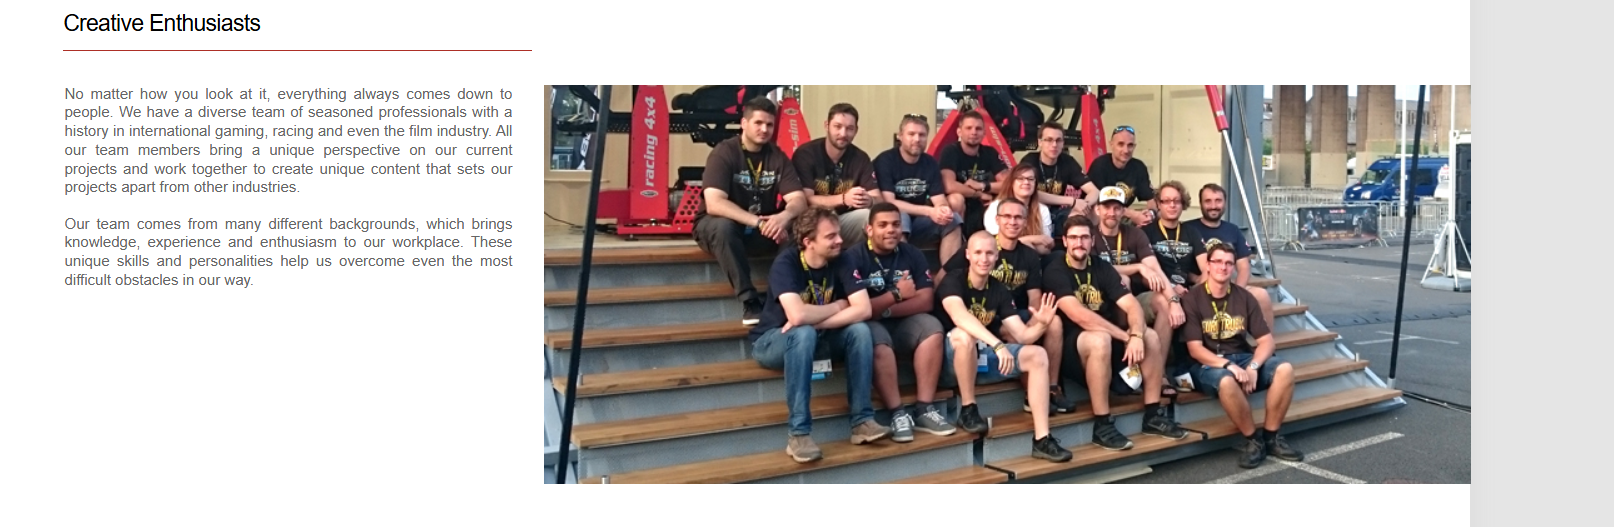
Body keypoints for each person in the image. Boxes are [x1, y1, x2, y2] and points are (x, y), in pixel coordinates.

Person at [749, 207, 891, 463]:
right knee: (802, 334)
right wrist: (838, 306)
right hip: (772, 340)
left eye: (838, 234)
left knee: (859, 331)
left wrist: (815, 322)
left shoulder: (842, 258)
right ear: (808, 242)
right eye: (831, 236)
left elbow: (863, 309)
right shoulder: (786, 263)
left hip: (816, 336)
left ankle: (862, 421)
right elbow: (797, 316)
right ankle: (799, 434)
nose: (840, 240)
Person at [1043, 214, 1187, 451]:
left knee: (1150, 336)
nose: (1079, 243)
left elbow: (1131, 305)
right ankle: (1102, 424)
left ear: (1092, 241)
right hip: (1073, 346)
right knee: (1099, 339)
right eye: (1074, 238)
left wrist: (1137, 335)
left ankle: (1152, 414)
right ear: (1065, 241)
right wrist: (1126, 337)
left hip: (1109, 339)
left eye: (1084, 238)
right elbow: (1079, 315)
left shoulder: (1101, 266)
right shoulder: (1055, 270)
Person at [940, 231, 1072, 462]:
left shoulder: (999, 289)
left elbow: (1022, 335)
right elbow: (960, 317)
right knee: (964, 335)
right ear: (967, 255)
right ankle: (968, 409)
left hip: (983, 360)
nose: (984, 259)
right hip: (951, 361)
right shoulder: (954, 279)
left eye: (989, 253)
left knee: (1037, 355)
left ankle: (1042, 439)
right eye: (978, 253)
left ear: (996, 257)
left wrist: (1042, 324)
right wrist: (998, 345)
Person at [940, 196, 1075, 414]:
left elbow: (1033, 299)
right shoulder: (975, 251)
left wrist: (1036, 323)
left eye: (1018, 217)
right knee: (977, 333)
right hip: (973, 328)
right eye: (1007, 216)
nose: (1012, 221)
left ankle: (1049, 390)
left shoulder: (1025, 259)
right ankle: (978, 405)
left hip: (1009, 314)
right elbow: (944, 285)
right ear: (997, 220)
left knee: (1053, 323)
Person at [1180, 242, 1304, 469]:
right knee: (1226, 381)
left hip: (1242, 356)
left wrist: (1254, 366)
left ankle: (1271, 437)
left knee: (1284, 369)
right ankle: (1253, 440)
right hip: (1207, 363)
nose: (1223, 267)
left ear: (1233, 268)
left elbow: (1266, 341)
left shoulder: (1244, 297)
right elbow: (1195, 349)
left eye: (1229, 263)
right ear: (1208, 265)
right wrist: (1228, 366)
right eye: (1218, 262)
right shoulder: (1193, 298)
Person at [844, 202, 956, 442]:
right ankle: (897, 412)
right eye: (883, 225)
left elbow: (925, 300)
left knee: (932, 328)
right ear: (869, 229)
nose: (891, 230)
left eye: (895, 225)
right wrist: (896, 295)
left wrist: (884, 310)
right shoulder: (852, 257)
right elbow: (858, 309)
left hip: (901, 321)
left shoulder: (911, 253)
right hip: (871, 326)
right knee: (874, 340)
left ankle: (924, 408)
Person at [694, 97, 807, 327]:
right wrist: (758, 222)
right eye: (758, 123)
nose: (764, 129)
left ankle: (780, 297)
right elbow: (715, 203)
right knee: (724, 226)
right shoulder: (724, 152)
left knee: (798, 227)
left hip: (760, 229)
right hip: (718, 226)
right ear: (744, 123)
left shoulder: (777, 157)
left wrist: (783, 217)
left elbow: (798, 200)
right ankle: (749, 300)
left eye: (769, 124)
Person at [874, 113, 963, 266]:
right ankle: (903, 273)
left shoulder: (930, 163)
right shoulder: (885, 160)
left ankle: (948, 275)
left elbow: (939, 198)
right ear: (900, 136)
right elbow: (889, 203)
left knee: (953, 220)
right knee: (900, 217)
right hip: (892, 220)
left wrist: (942, 210)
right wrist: (930, 211)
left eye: (922, 135)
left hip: (920, 221)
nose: (917, 139)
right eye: (911, 134)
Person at [1187, 183, 1276, 335]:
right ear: (1200, 203)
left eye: (1218, 201)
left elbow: (1244, 267)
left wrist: (1236, 294)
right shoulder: (1188, 229)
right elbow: (1180, 266)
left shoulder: (1233, 230)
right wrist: (1196, 279)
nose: (1213, 206)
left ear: (1225, 203)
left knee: (1262, 295)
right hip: (1199, 287)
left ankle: (1267, 343)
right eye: (1208, 201)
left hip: (1228, 285)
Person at [1142, 180, 1211, 369]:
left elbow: (1207, 268)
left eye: (1176, 201)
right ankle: (1159, 373)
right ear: (1158, 204)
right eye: (1166, 201)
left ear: (1183, 204)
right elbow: (1146, 274)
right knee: (1166, 303)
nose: (1172, 205)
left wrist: (1194, 292)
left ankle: (1208, 364)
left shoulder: (1191, 232)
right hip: (1156, 290)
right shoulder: (1146, 232)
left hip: (1187, 291)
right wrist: (1171, 289)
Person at [793, 102, 881, 248]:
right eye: (837, 126)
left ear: (856, 130)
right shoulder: (806, 154)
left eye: (850, 128)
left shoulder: (861, 158)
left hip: (842, 220)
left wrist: (869, 200)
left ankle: (874, 262)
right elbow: (805, 200)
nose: (843, 134)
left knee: (871, 217)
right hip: (811, 222)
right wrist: (844, 199)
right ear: (827, 125)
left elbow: (878, 199)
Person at [938, 110, 1010, 236]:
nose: (974, 132)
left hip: (984, 202)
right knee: (956, 199)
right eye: (968, 128)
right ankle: (958, 241)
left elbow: (1009, 183)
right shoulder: (950, 151)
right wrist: (978, 194)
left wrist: (983, 186)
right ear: (959, 132)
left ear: (984, 133)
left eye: (978, 129)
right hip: (962, 203)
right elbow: (949, 185)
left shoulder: (990, 152)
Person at [1019, 121, 1097, 235]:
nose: (1054, 145)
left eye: (1058, 140)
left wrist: (1084, 206)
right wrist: (1071, 201)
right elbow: (1030, 193)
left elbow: (1094, 191)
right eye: (1049, 140)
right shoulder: (1030, 161)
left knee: (1092, 212)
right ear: (1040, 142)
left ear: (1063, 143)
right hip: (1033, 211)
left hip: (1058, 212)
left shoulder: (1067, 161)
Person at [1085, 125, 1156, 227]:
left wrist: (1150, 215)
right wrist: (1132, 214)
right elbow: (1101, 204)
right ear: (1111, 145)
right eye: (1121, 144)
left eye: (1130, 145)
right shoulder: (1100, 165)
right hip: (1101, 215)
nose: (1126, 150)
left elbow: (1151, 200)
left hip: (1122, 216)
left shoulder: (1139, 167)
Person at [983, 162, 1056, 255]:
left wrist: (1026, 244)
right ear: (1012, 183)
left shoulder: (1042, 209)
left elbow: (1046, 246)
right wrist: (1032, 239)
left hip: (1035, 258)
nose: (1026, 182)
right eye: (1020, 178)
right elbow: (996, 243)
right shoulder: (996, 206)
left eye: (1030, 179)